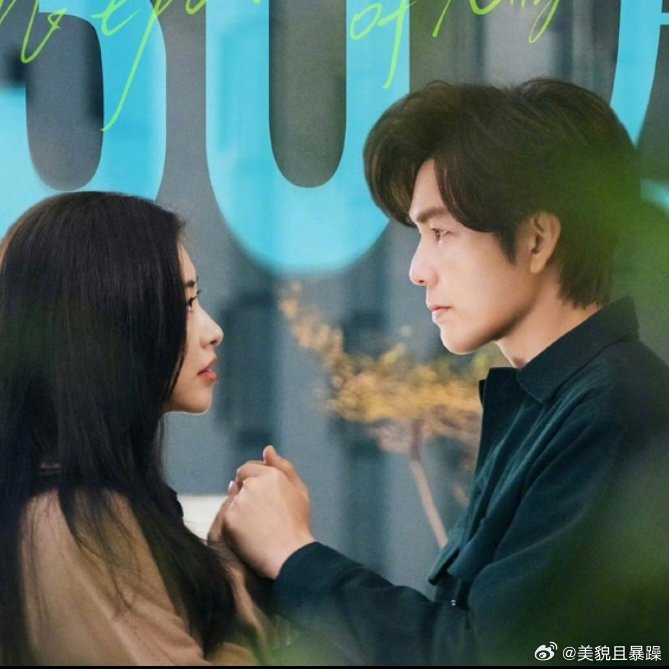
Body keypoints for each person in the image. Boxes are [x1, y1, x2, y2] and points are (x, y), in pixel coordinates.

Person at [218, 79, 669, 665]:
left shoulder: (614, 412)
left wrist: (293, 555)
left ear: (537, 239)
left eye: (441, 233)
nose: (418, 269)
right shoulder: (552, 404)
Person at [0, 192, 272, 665]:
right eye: (185, 304)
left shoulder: (91, 506)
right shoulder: (72, 525)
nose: (212, 330)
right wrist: (246, 578)